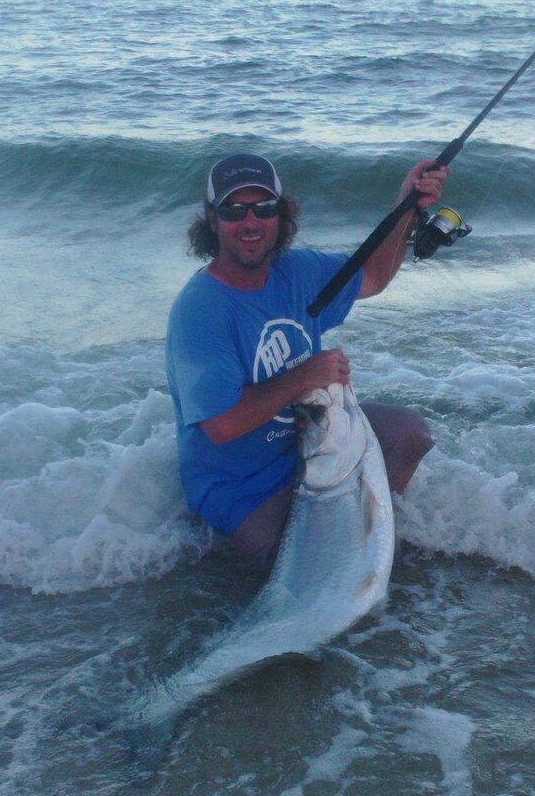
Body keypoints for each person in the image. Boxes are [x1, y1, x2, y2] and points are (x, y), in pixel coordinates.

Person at [166, 152, 451, 557]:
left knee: (409, 434)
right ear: (213, 221)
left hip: (308, 455)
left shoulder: (297, 271)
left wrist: (406, 207)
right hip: (242, 489)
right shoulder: (201, 309)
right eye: (234, 210)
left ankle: (378, 541)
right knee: (294, 558)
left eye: (264, 208)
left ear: (281, 215)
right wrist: (305, 376)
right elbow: (222, 425)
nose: (250, 222)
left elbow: (373, 276)